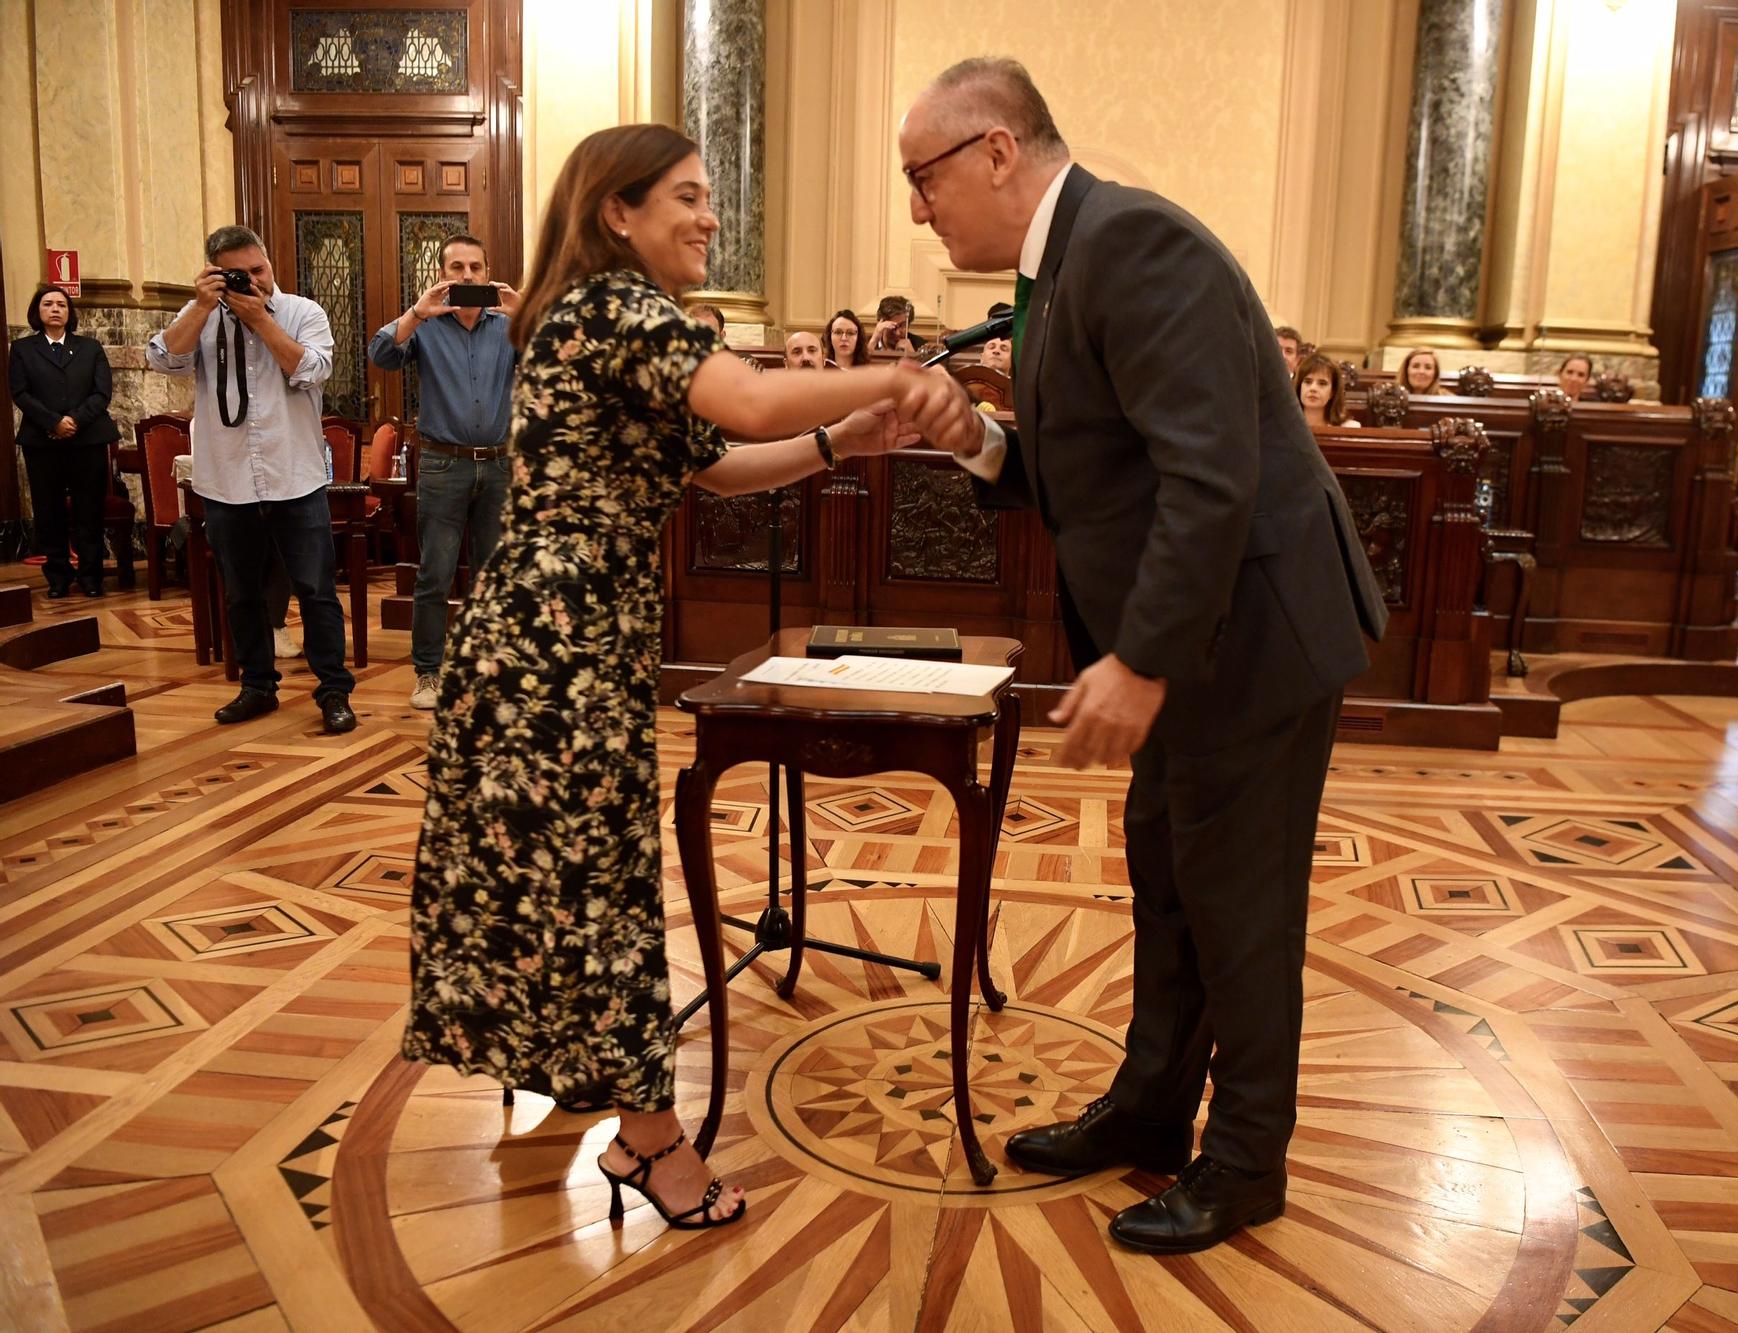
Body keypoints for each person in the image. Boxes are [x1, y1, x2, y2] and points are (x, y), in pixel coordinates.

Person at [400, 122, 960, 1235]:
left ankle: (585, 1081)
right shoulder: (616, 307)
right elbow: (750, 406)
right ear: (619, 212)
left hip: (558, 641)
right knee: (594, 892)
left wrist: (848, 437)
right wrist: (902, 368)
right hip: (552, 650)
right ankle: (649, 1141)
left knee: (571, 885)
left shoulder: (610, 321)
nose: (710, 216)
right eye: (689, 197)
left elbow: (722, 467)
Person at [900, 58, 1386, 1254]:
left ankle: (1243, 1162)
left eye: (923, 177)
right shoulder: (1063, 266)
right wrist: (976, 441)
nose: (917, 208)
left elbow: (1207, 475)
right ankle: (1150, 1111)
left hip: (1250, 642)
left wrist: (1146, 658)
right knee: (1171, 879)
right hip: (1199, 642)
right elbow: (1092, 473)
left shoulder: (1131, 245)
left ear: (997, 150)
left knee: (1241, 906)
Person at [147, 226, 357, 733]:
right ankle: (257, 687)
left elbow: (311, 370)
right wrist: (200, 307)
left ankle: (333, 692)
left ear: (268, 263)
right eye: (238, 273)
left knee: (316, 591)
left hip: (296, 476)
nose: (253, 280)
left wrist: (260, 319)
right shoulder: (200, 316)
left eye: (258, 269)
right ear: (214, 272)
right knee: (241, 593)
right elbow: (162, 358)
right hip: (227, 479)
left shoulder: (304, 312)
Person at [367, 232, 522, 711]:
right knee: (434, 574)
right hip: (441, 465)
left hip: (498, 465)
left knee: (491, 577)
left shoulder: (507, 326)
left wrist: (529, 313)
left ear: (487, 271)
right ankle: (429, 674)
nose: (467, 276)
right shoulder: (426, 327)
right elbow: (380, 354)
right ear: (442, 274)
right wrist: (417, 312)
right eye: (456, 268)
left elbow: (559, 360)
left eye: (475, 268)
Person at [9, 285, 119, 598]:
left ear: (70, 312)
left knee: (89, 512)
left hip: (88, 440)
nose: (55, 309)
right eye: (48, 304)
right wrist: (53, 422)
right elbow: (20, 392)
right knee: (49, 512)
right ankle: (58, 577)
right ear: (37, 311)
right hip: (42, 443)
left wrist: (73, 421)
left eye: (61, 304)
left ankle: (91, 577)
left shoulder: (90, 347)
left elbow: (102, 393)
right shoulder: (23, 349)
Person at [1294, 352, 1357, 429]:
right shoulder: (1284, 426)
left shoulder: (1349, 428)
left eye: (1322, 383)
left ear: (1332, 392)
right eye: (1308, 382)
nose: (1313, 388)